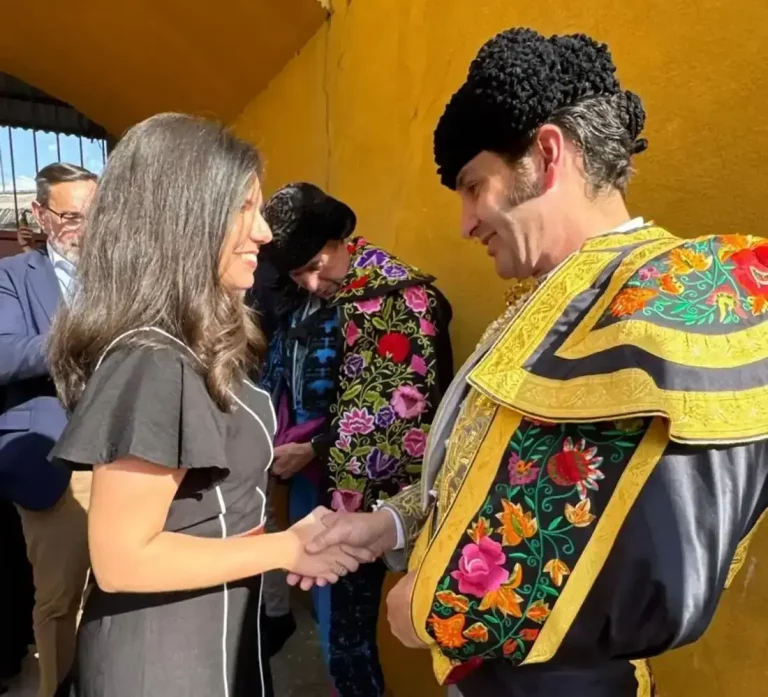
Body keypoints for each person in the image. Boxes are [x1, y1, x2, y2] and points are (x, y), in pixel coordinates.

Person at [297, 28, 768, 697]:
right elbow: (476, 473)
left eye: (472, 187)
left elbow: (651, 557)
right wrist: (389, 522)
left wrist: (432, 608)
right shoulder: (539, 303)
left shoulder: (683, 292)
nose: (464, 223)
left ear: (547, 154)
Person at [46, 114, 370, 697]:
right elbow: (122, 559)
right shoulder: (151, 360)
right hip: (164, 661)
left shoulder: (188, 347)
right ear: (185, 217)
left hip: (211, 636)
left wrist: (299, 534)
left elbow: (210, 516)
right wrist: (288, 546)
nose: (265, 233)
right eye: (245, 207)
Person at [260, 182, 454, 697]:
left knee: (349, 632)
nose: (312, 280)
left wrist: (316, 448)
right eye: (299, 272)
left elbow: (402, 411)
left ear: (342, 238)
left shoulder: (403, 299)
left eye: (318, 263)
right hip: (309, 476)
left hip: (373, 494)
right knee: (331, 618)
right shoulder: (307, 299)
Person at [0, 162, 97, 697]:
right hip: (55, 460)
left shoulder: (123, 275)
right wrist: (85, 332)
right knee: (61, 600)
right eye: (71, 216)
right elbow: (5, 353)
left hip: (129, 454)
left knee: (124, 590)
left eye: (96, 214)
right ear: (39, 215)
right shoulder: (12, 277)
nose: (86, 228)